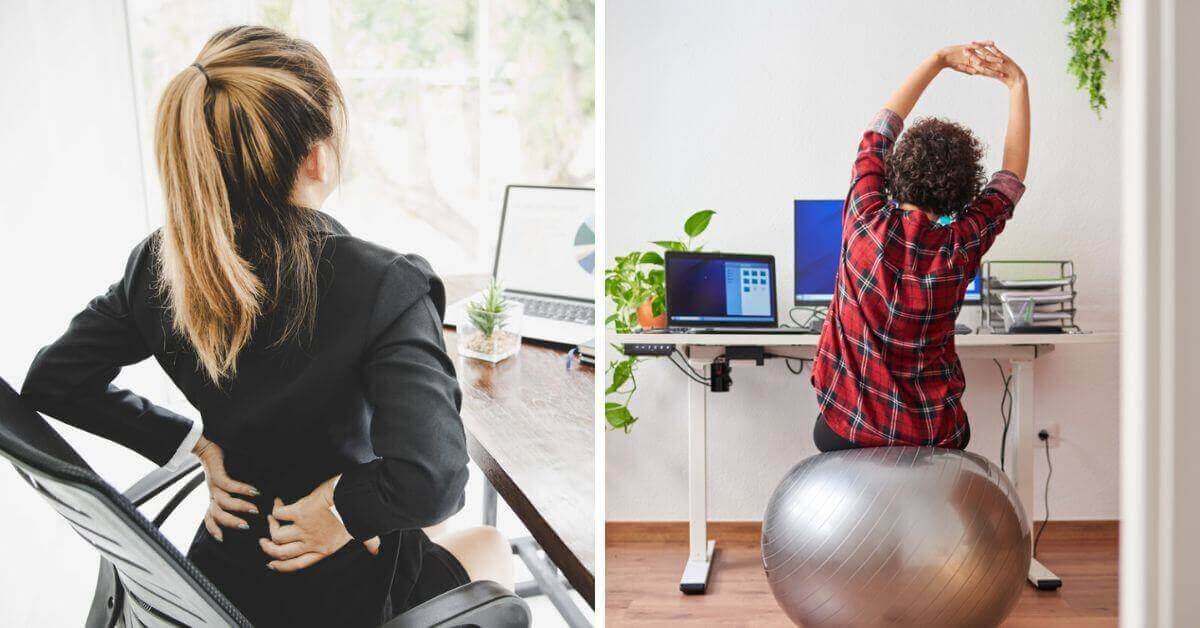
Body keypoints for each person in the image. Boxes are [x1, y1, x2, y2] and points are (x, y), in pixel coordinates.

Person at [20, 25, 512, 627]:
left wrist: (192, 444)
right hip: (337, 591)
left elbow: (54, 380)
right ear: (318, 155)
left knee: (423, 520)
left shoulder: (162, 263)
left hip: (222, 579)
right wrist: (342, 512)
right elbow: (435, 479)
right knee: (488, 543)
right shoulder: (384, 283)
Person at [810, 41, 1030, 452]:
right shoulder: (962, 244)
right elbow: (1008, 183)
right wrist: (1017, 84)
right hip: (935, 434)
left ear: (894, 172)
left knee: (824, 426)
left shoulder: (865, 217)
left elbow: (878, 134)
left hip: (849, 428)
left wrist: (938, 61)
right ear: (962, 195)